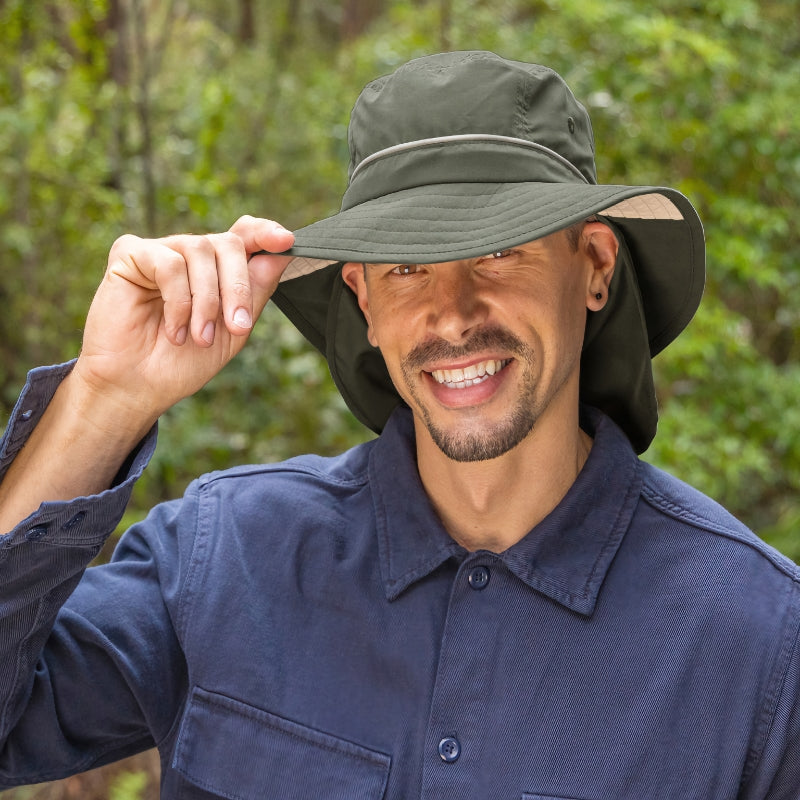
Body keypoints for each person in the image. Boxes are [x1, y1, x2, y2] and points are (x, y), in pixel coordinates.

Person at [0, 50, 797, 799]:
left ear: (594, 266)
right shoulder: (225, 555)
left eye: (500, 252)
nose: (452, 317)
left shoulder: (758, 642)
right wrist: (104, 397)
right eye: (407, 267)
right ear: (363, 301)